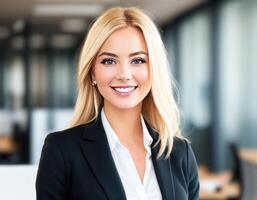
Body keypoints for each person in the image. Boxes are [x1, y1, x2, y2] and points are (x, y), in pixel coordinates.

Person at [35, 7, 199, 200]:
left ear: (154, 69)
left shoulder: (179, 153)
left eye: (138, 60)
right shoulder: (62, 150)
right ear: (92, 72)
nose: (124, 74)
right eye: (109, 61)